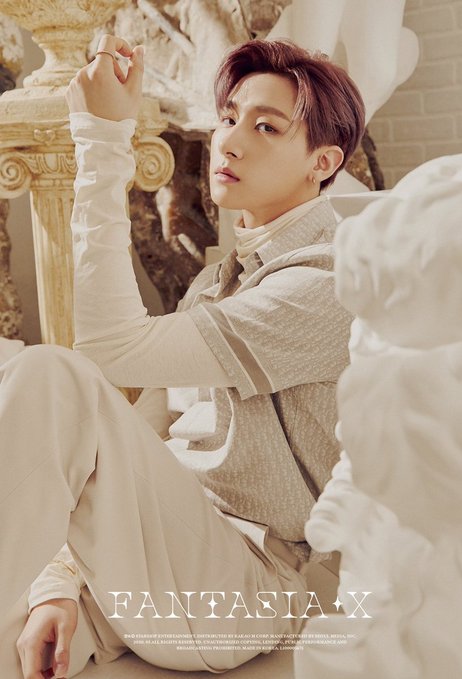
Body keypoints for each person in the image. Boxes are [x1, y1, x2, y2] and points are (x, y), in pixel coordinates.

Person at [0, 34, 364, 678]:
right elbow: (141, 435)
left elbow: (108, 351)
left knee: (52, 375)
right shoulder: (217, 284)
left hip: (246, 589)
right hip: (156, 566)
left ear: (322, 161)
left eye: (266, 126)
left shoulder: (324, 282)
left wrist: (102, 136)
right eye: (228, 118)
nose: (230, 141)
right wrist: (59, 585)